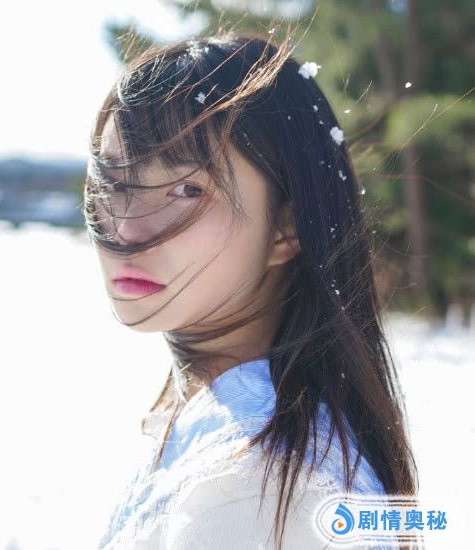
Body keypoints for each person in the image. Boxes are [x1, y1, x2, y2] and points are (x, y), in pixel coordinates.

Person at [83, 29, 421, 550]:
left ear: (286, 227)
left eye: (186, 189)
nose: (127, 229)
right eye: (114, 183)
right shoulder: (239, 445)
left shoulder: (255, 490)